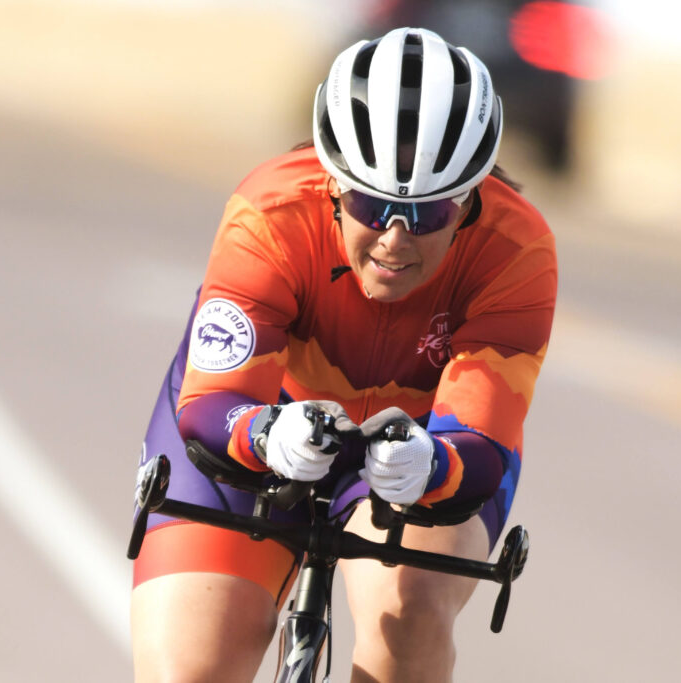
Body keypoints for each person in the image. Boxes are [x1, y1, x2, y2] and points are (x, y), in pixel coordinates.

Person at [130, 26, 557, 682]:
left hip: (420, 445)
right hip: (258, 413)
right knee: (196, 664)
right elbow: (213, 405)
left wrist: (430, 465)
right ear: (332, 182)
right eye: (371, 202)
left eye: (427, 213)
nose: (394, 237)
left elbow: (480, 440)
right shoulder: (271, 213)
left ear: (468, 198)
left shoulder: (515, 251)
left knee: (407, 613)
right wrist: (264, 431)